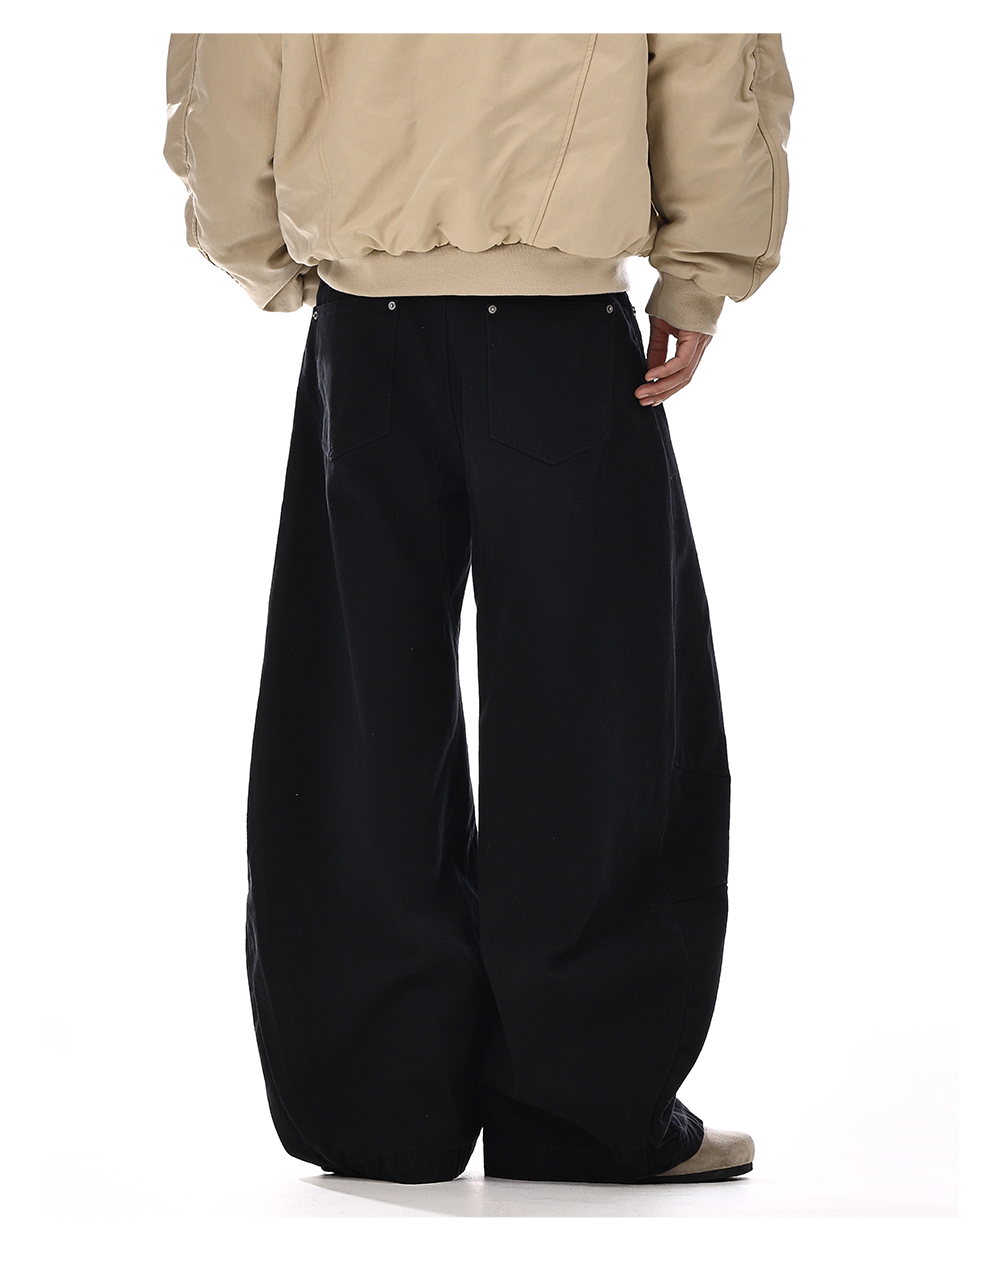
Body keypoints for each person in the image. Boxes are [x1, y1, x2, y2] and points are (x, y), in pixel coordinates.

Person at [163, 32, 793, 1186]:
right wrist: (699, 271)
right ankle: (584, 1110)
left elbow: (234, 52)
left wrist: (256, 248)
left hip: (368, 322)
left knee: (356, 716)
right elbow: (708, 53)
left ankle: (374, 1111)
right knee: (596, 714)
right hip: (560, 326)